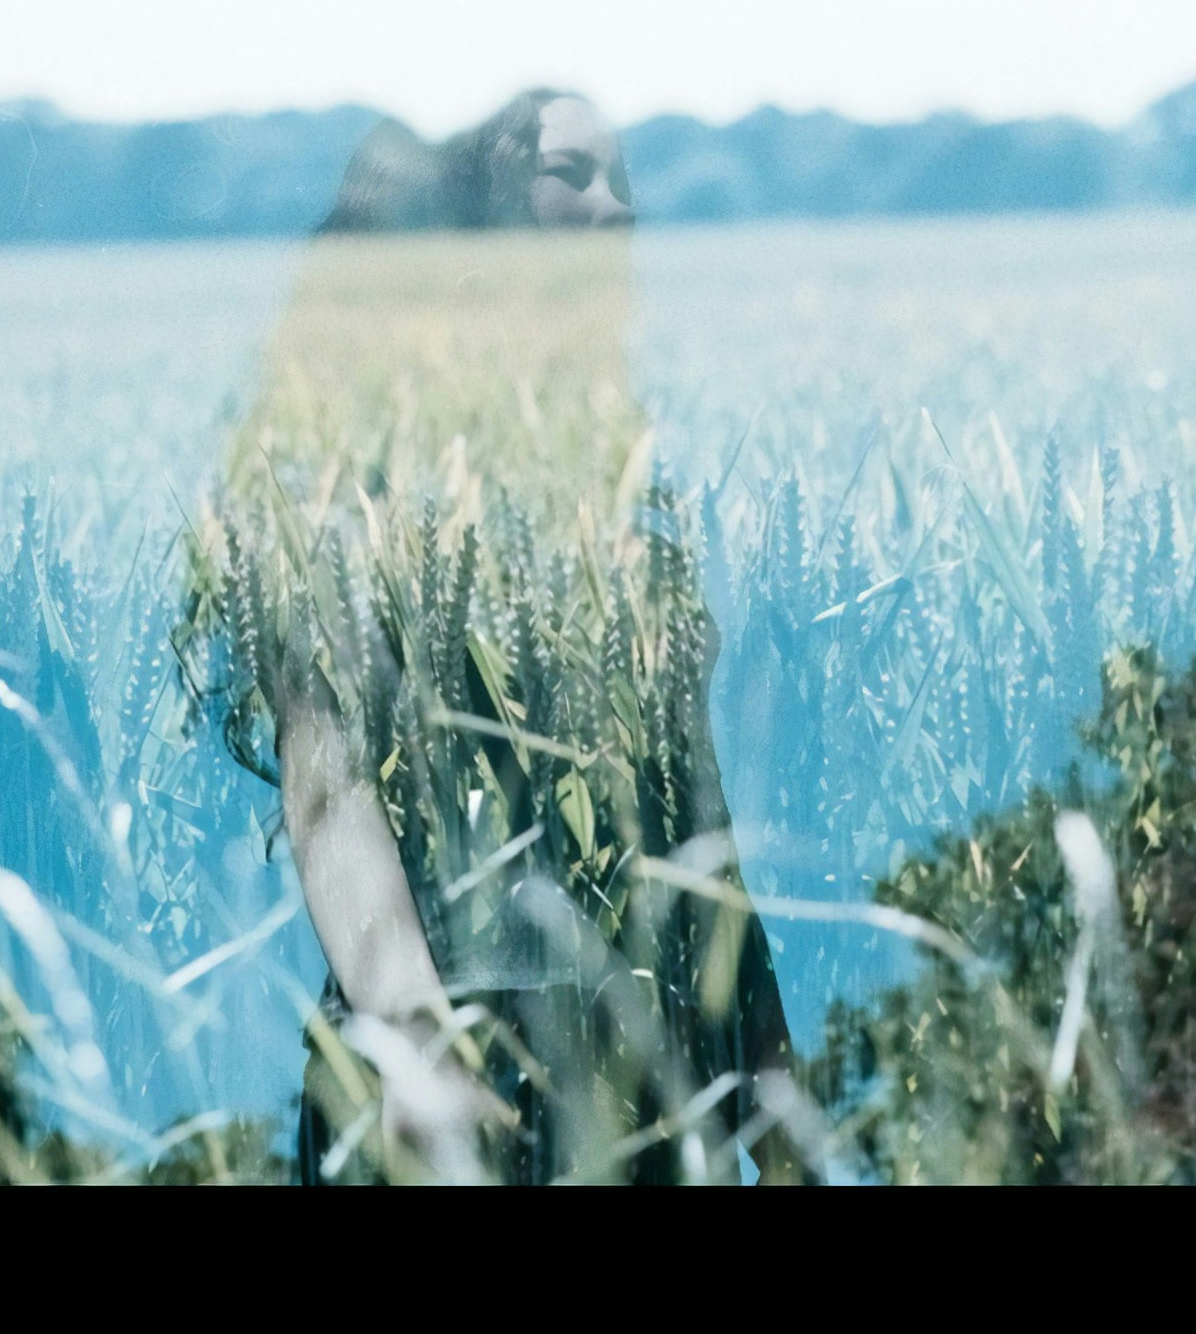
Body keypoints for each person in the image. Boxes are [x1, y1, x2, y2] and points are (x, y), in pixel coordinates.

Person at [186, 90, 815, 1185]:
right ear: (482, 224)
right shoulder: (350, 483)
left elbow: (696, 827)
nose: (615, 212)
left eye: (624, 184)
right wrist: (424, 1054)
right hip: (453, 1092)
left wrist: (776, 1102)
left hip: (641, 1084)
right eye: (572, 177)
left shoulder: (621, 499)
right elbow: (327, 788)